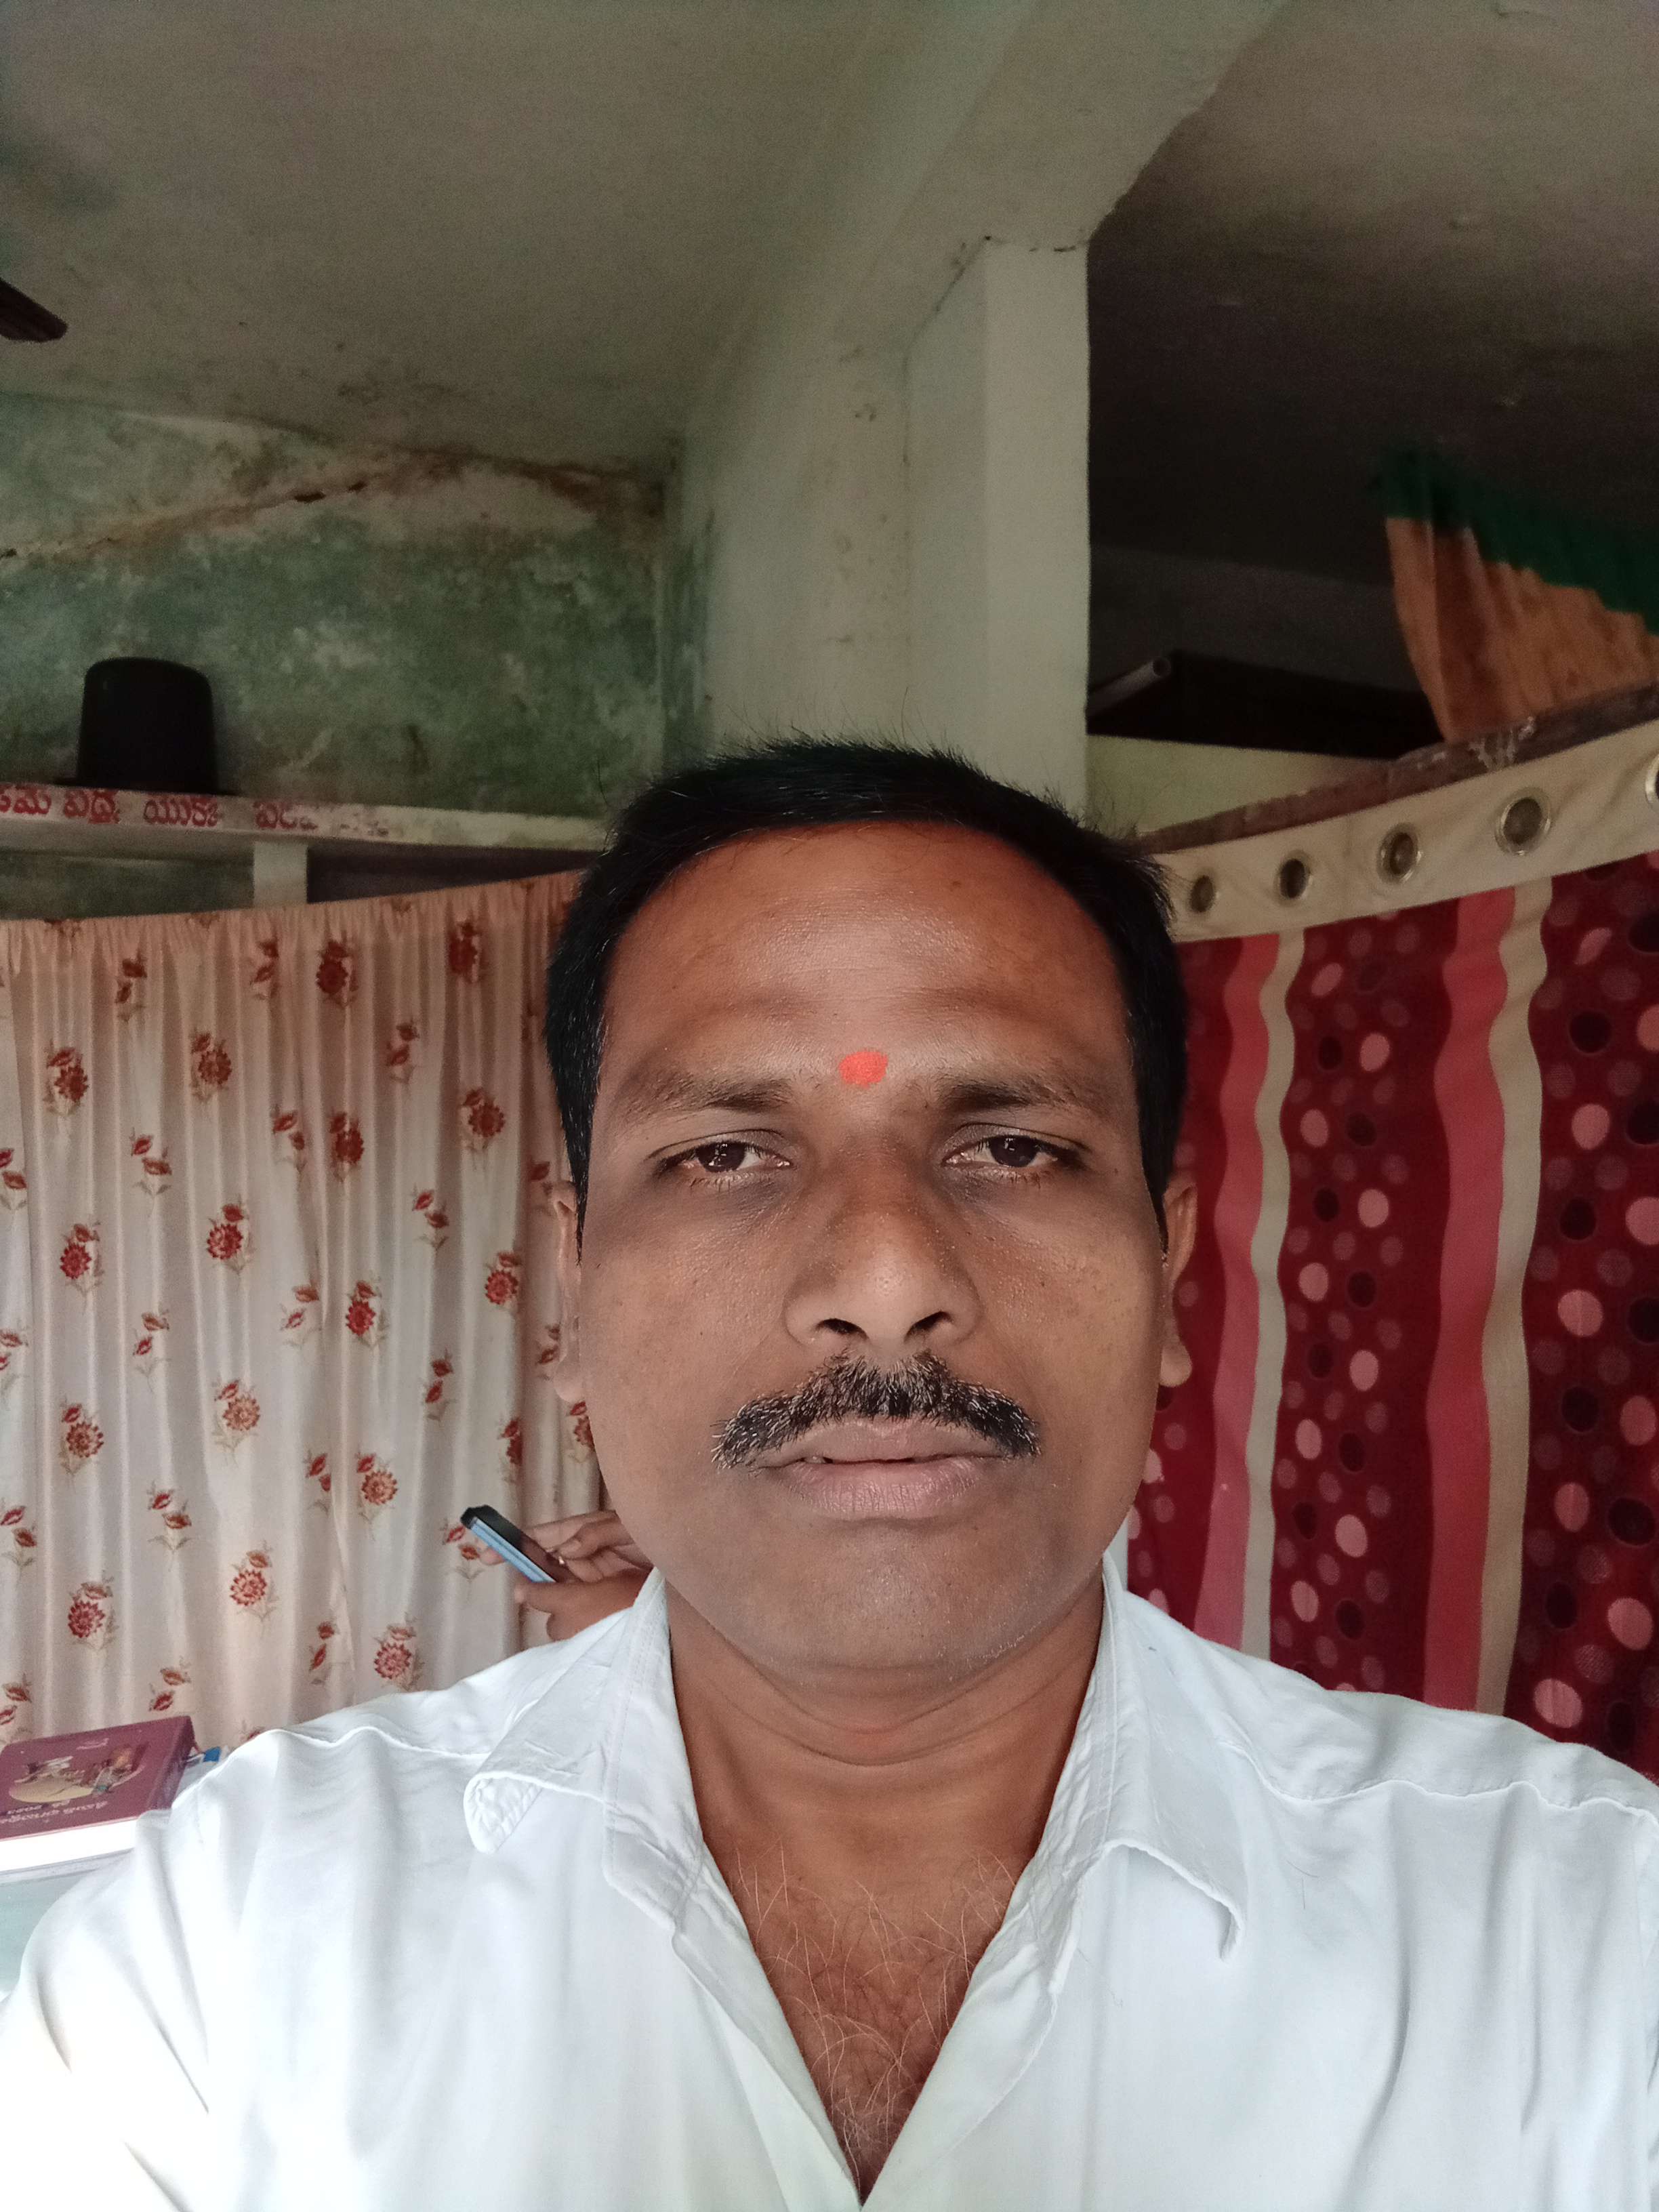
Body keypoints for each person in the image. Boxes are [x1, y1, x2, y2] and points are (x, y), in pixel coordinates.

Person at [3, 737, 1658, 2210]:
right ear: (571, 1288)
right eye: (726, 1153)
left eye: (1012, 1147)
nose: (883, 1276)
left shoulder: (1573, 1944)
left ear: (1167, 1271)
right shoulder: (228, 1946)